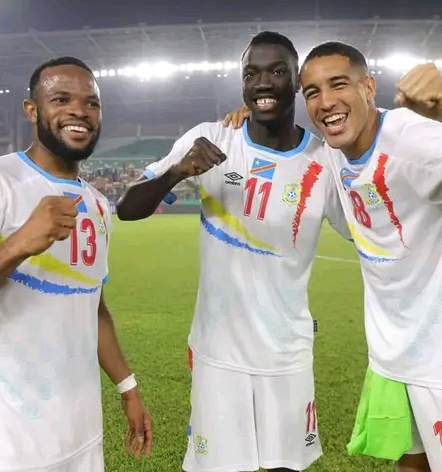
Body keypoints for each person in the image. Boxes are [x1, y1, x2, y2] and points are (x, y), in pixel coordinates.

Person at [224, 41, 442, 472]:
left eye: (339, 84)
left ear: (369, 87)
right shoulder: (330, 155)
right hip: (391, 359)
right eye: (313, 91)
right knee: (410, 466)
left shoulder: (421, 142)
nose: (326, 101)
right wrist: (252, 119)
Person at [116, 32, 350, 472]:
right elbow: (127, 209)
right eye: (251, 74)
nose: (263, 83)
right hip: (217, 353)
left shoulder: (324, 161)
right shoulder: (210, 138)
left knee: (285, 466)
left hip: (286, 351)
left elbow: (368, 233)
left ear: (297, 81)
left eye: (277, 72)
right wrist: (177, 172)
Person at [0, 57, 152, 472]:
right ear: (32, 110)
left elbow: (92, 305)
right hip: (2, 449)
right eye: (61, 99)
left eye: (91, 103)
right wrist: (18, 245)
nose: (79, 111)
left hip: (80, 440)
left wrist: (128, 389)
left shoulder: (96, 204)